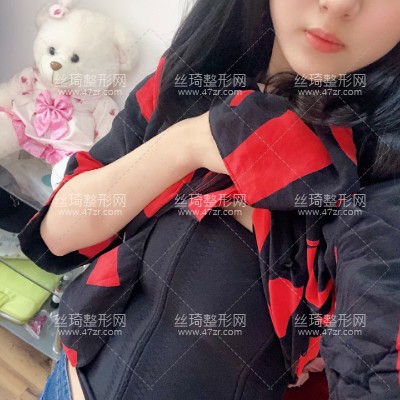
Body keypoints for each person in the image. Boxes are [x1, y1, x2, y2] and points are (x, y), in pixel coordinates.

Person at [17, 0, 400, 399]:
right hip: (67, 385)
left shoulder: (381, 174)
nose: (338, 3)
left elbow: (379, 352)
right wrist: (191, 141)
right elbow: (59, 235)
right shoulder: (190, 76)